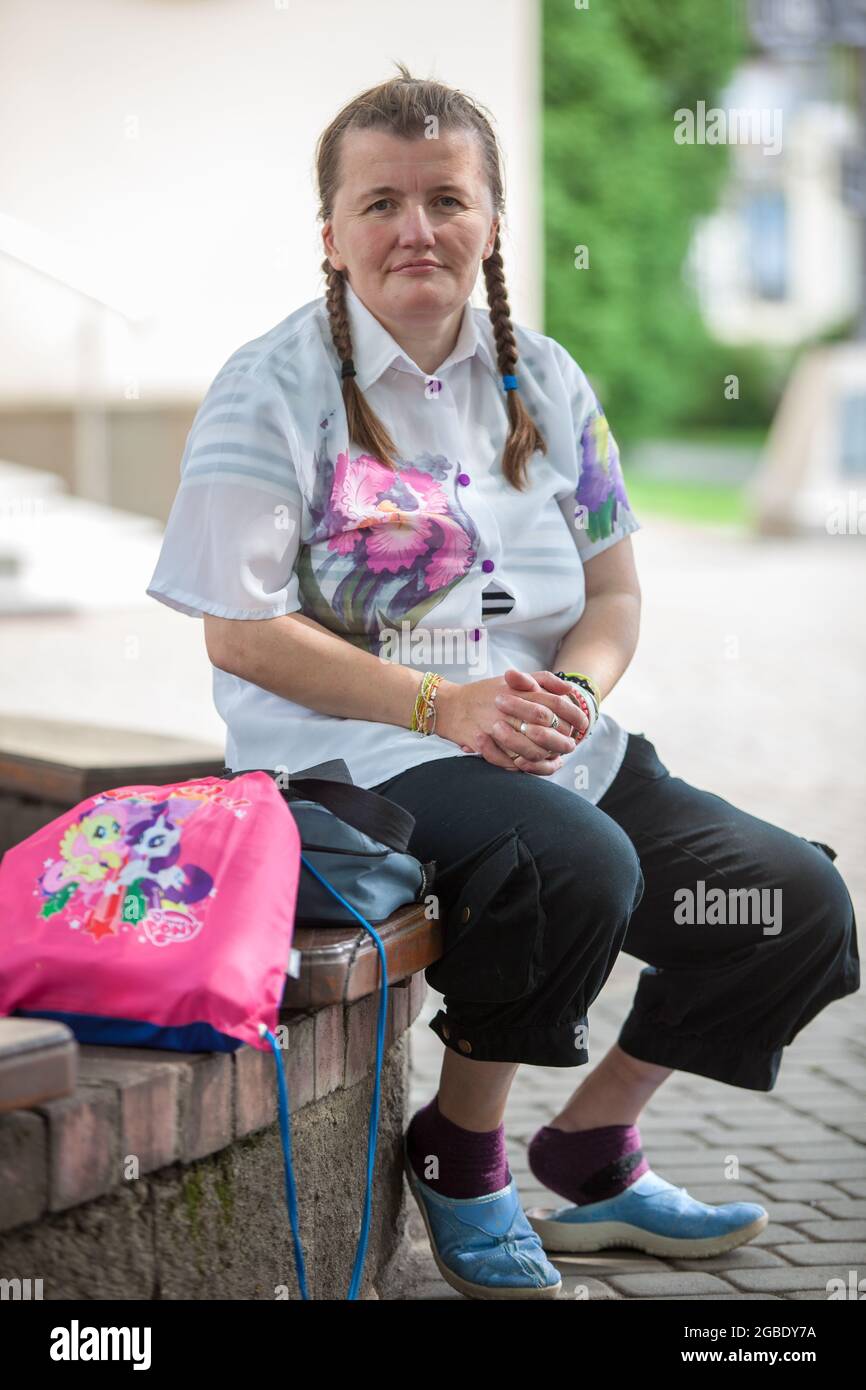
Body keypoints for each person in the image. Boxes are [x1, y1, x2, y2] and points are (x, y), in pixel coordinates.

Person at [146, 64, 860, 1302]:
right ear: (330, 233)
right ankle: (461, 1152)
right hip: (355, 760)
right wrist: (440, 704)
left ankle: (591, 1146)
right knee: (573, 860)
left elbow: (614, 597)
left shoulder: (549, 381)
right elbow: (239, 632)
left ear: (490, 221)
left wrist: (575, 692)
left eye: (444, 198)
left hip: (545, 745)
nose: (414, 229)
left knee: (787, 901)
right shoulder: (270, 389)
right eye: (379, 203)